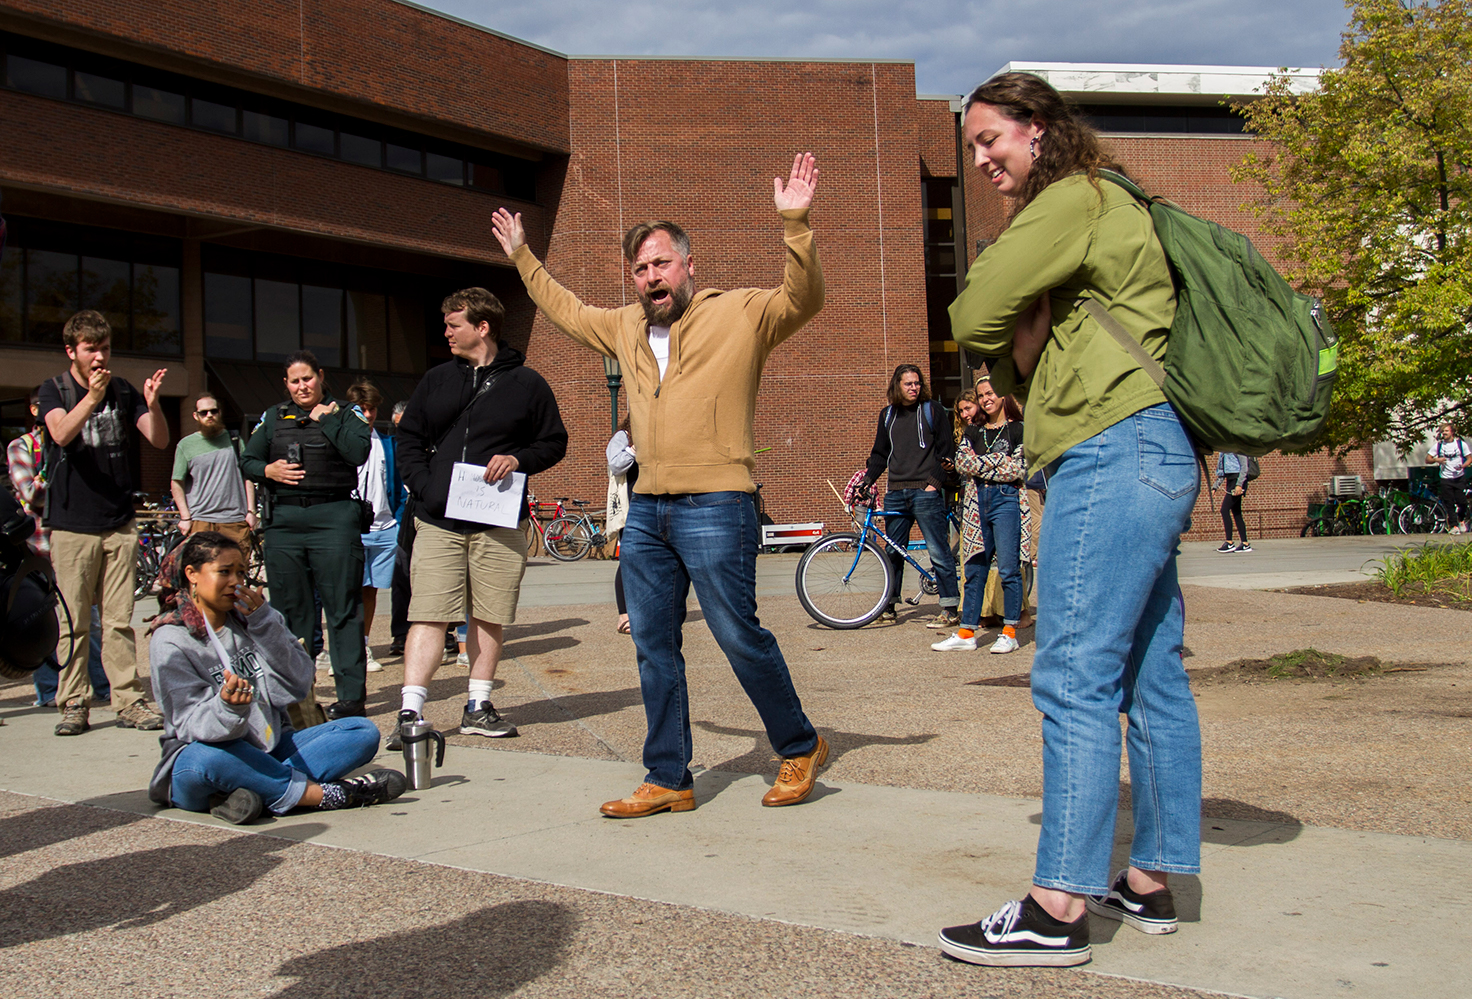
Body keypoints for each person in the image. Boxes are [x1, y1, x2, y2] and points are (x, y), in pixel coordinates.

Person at [940, 73, 1201, 968]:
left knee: (1073, 674)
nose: (981, 161)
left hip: (1109, 448)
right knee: (1151, 673)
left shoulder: (1069, 200)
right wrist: (1024, 360)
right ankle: (1152, 879)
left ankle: (1057, 906)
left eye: (989, 139)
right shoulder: (1116, 201)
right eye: (972, 148)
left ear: (1040, 128)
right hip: (1158, 450)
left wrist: (1015, 354)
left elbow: (971, 310)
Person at [490, 152, 830, 817]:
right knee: (652, 643)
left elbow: (804, 297)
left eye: (661, 263)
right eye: (641, 268)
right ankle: (669, 774)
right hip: (647, 509)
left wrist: (796, 222)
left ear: (688, 265)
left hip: (718, 502)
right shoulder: (622, 327)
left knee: (737, 633)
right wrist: (525, 258)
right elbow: (566, 308)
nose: (651, 277)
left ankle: (799, 742)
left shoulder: (740, 313)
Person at [390, 287, 567, 748]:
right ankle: (410, 711)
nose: (446, 332)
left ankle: (478, 706)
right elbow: (408, 440)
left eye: (454, 324)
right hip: (439, 520)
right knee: (428, 614)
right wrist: (425, 488)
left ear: (482, 327)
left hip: (498, 520)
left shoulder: (527, 383)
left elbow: (554, 442)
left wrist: (519, 458)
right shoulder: (435, 380)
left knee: (489, 616)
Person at [147, 531, 405, 824]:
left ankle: (251, 792)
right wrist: (228, 708)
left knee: (361, 732)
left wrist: (264, 623)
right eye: (224, 572)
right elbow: (187, 724)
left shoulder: (254, 619)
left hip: (270, 747)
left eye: (241, 572)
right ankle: (325, 796)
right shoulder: (170, 640)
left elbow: (297, 684)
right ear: (192, 574)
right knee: (207, 760)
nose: (236, 582)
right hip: (206, 756)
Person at [39, 309, 169, 737]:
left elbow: (158, 438)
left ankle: (128, 702)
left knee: (118, 620)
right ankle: (74, 703)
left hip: (119, 522)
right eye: (90, 349)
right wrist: (91, 398)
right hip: (72, 524)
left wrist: (152, 404)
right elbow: (60, 435)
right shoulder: (54, 390)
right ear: (71, 351)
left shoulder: (123, 390)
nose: (99, 357)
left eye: (105, 348)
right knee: (74, 620)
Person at [241, 350, 371, 719]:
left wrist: (325, 421)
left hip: (334, 518)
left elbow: (357, 451)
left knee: (343, 610)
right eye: (295, 381)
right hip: (285, 522)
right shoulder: (272, 417)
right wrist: (269, 469)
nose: (302, 386)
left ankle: (350, 698)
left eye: (308, 378)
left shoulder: (346, 413)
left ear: (320, 376)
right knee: (291, 614)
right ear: (287, 384)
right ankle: (297, 695)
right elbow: (247, 460)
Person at [7, 387, 109, 707]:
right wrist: (56, 468)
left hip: (78, 541)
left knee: (88, 619)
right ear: (36, 410)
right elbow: (31, 496)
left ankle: (101, 686)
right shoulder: (21, 447)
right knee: (44, 617)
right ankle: (50, 691)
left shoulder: (78, 444)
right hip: (39, 549)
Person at [859, 364, 959, 628]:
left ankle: (949, 607)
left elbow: (947, 450)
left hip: (925, 492)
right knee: (892, 551)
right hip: (896, 493)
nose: (914, 388)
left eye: (917, 383)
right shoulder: (887, 415)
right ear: (897, 386)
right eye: (908, 384)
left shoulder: (932, 410)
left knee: (938, 551)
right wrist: (868, 479)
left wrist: (933, 485)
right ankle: (889, 606)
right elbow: (880, 454)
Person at [933, 377, 1025, 654]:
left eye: (991, 393)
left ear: (1003, 397)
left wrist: (981, 464)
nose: (986, 398)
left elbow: (1019, 468)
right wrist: (998, 462)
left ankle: (1009, 632)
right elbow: (962, 462)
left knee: (1009, 569)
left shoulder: (1018, 430)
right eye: (982, 394)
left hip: (1007, 501)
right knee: (974, 569)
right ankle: (966, 633)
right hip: (976, 503)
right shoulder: (974, 432)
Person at [345, 380, 403, 674]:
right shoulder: (341, 444)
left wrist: (399, 521)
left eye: (371, 409)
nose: (367, 414)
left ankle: (363, 644)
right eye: (361, 409)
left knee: (371, 591)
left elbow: (397, 487)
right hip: (350, 529)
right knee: (347, 591)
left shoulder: (387, 445)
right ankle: (346, 649)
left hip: (383, 527)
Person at [171, 393, 258, 549]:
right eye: (204, 412)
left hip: (235, 521)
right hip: (201, 522)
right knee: (203, 570)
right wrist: (185, 517)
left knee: (236, 571)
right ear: (195, 416)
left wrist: (251, 511)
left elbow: (247, 477)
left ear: (219, 413)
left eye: (213, 411)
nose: (209, 415)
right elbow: (176, 481)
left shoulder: (235, 441)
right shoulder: (186, 445)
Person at [607, 417, 638, 635]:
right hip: (631, 510)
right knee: (628, 560)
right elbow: (616, 465)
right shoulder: (623, 437)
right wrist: (635, 449)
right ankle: (624, 614)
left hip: (654, 504)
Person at [1427, 424, 1469, 534]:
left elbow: (1469, 458)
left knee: (1462, 502)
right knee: (1449, 503)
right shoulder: (1439, 446)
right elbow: (1428, 459)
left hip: (1459, 477)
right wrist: (1437, 459)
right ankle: (1454, 526)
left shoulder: (1461, 444)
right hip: (1445, 478)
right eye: (1442, 431)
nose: (1444, 433)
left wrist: (1463, 466)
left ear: (1452, 432)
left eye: (1446, 431)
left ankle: (1461, 520)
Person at [1214, 453, 1254, 553]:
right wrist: (1215, 486)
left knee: (1224, 510)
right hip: (1230, 480)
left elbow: (1244, 467)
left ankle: (1229, 542)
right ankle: (1245, 544)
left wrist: (1239, 485)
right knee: (1236, 512)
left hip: (1237, 481)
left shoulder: (1237, 447)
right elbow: (1222, 472)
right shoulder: (1223, 451)